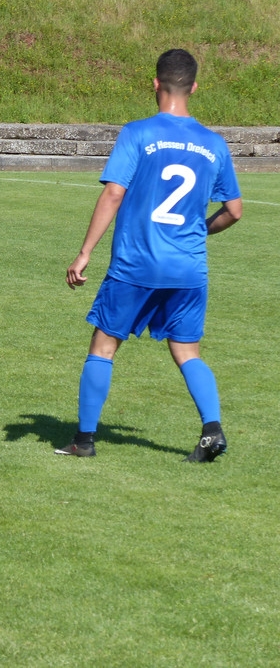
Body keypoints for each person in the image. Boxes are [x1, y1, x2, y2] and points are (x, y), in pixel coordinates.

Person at [59, 49, 242, 461]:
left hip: (136, 263)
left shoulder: (137, 133)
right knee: (187, 351)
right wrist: (197, 231)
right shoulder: (213, 144)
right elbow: (234, 211)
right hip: (189, 268)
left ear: (155, 84)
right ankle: (212, 430)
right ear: (194, 87)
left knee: (103, 346)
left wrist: (85, 253)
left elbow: (114, 193)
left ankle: (83, 441)